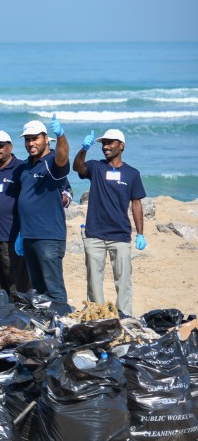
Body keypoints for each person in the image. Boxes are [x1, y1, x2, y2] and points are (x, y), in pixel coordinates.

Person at [72, 128, 147, 315]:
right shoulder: (96, 167)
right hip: (94, 234)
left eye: (110, 142)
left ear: (121, 146)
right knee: (94, 280)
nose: (105, 146)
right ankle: (97, 315)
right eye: (103, 143)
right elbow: (77, 167)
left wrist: (140, 234)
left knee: (123, 279)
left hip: (120, 235)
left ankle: (124, 315)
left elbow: (136, 203)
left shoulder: (132, 173)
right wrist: (83, 149)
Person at [8, 117, 71, 305]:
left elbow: (62, 158)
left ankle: (61, 326)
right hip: (29, 236)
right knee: (38, 289)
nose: (30, 143)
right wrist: (21, 233)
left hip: (49, 237)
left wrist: (61, 136)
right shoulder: (27, 165)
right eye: (27, 139)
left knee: (54, 290)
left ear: (45, 139)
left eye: (35, 138)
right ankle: (46, 328)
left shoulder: (51, 162)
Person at [0, 131, 31, 295]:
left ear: (10, 146)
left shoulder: (22, 168)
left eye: (0, 146)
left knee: (16, 284)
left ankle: (18, 316)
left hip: (13, 236)